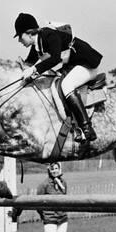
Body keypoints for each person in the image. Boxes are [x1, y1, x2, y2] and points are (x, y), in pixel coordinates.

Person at [13, 12, 103, 142]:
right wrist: (25, 66)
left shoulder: (49, 35)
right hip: (72, 66)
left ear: (29, 33)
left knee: (67, 85)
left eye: (20, 36)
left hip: (87, 65)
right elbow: (31, 63)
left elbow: (55, 59)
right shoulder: (37, 45)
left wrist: (33, 69)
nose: (19, 41)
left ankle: (87, 127)